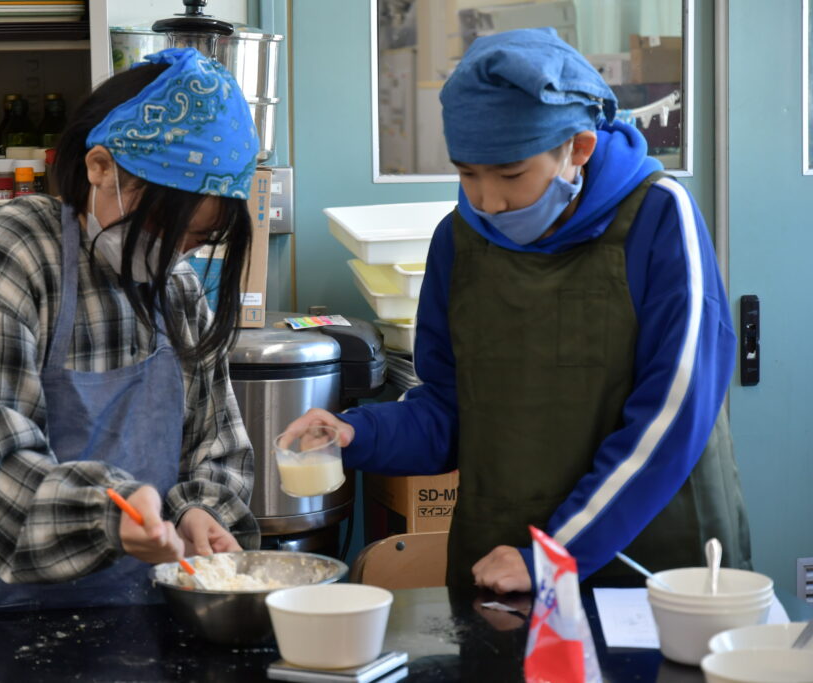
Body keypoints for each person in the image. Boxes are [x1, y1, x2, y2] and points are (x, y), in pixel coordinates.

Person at [286, 28, 750, 594]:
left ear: (578, 149)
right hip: (504, 560)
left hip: (648, 565)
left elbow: (674, 414)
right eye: (467, 173)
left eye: (510, 175)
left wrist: (556, 554)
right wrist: (356, 433)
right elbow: (450, 410)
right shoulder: (459, 240)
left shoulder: (658, 218)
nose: (488, 201)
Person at [0, 47, 261, 616]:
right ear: (100, 167)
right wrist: (108, 515)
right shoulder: (18, 252)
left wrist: (200, 510)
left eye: (197, 241)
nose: (174, 255)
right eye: (163, 227)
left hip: (140, 611)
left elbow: (216, 443)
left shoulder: (178, 289)